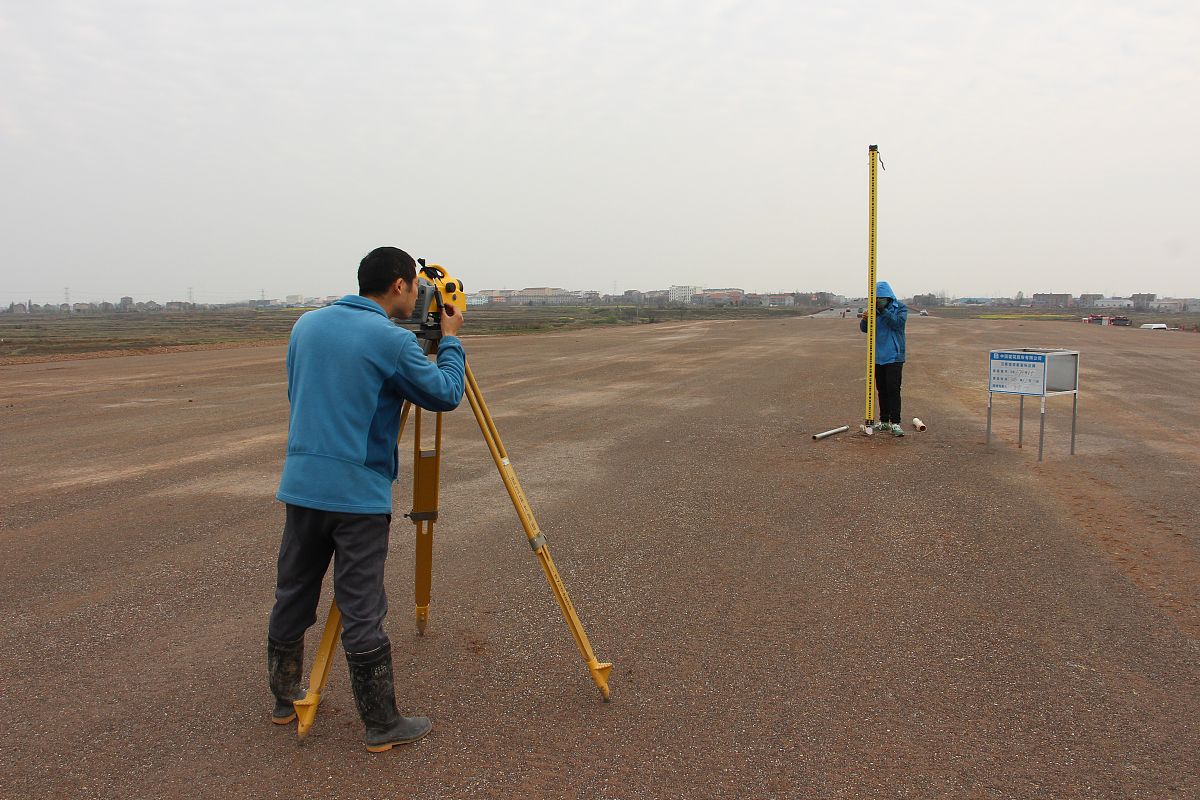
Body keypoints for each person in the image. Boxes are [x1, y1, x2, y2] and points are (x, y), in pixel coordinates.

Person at [266, 246, 465, 752]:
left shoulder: (305, 326)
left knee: (294, 591)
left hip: (302, 483)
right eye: (416, 286)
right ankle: (381, 723)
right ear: (399, 285)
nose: (420, 294)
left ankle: (284, 698)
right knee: (361, 607)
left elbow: (300, 391)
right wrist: (452, 342)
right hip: (356, 497)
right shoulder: (390, 340)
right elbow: (444, 393)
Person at [859, 281, 908, 436]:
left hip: (894, 356)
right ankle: (885, 421)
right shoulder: (873, 311)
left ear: (889, 297)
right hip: (877, 356)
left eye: (882, 298)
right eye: (877, 298)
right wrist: (865, 320)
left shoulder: (900, 308)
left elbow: (897, 324)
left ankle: (896, 422)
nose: (880, 301)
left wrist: (883, 310)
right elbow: (865, 330)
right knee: (881, 390)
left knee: (893, 389)